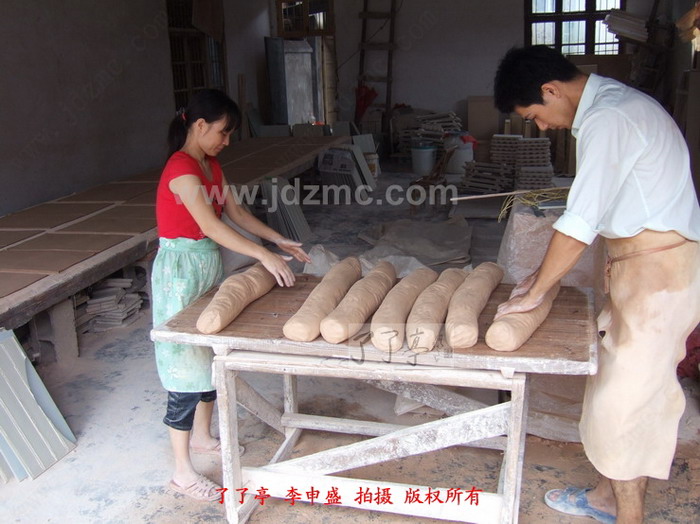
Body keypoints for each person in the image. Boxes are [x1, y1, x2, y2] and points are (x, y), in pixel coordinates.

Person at [493, 46, 700, 523]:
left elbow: (579, 222)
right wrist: (541, 278)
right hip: (642, 270)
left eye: (535, 116)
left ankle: (628, 515)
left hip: (660, 280)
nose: (542, 127)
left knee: (626, 403)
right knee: (613, 387)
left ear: (551, 90)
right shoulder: (613, 107)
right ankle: (607, 497)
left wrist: (537, 291)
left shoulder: (610, 118)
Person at [152, 89, 311, 501]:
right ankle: (182, 472)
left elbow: (236, 213)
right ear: (199, 125)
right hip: (180, 270)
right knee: (184, 366)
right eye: (223, 132)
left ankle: (203, 437)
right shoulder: (181, 168)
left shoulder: (210, 165)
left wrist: (278, 240)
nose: (226, 141)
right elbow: (209, 224)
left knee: (208, 354)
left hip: (205, 263)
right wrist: (262, 255)